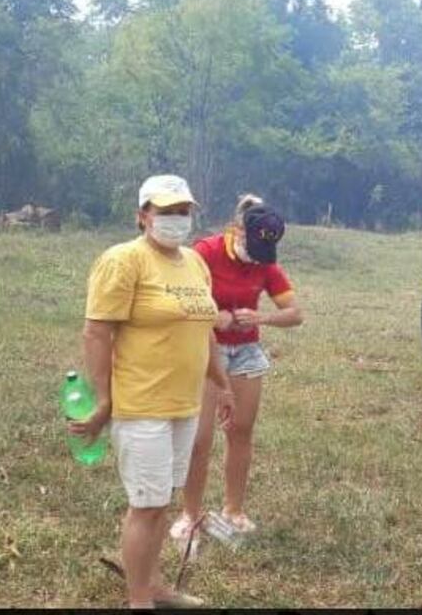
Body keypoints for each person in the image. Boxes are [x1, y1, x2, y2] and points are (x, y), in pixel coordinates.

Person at [68, 174, 235, 608]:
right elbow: (96, 333)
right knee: (146, 506)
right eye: (166, 212)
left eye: (184, 212)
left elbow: (206, 328)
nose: (177, 220)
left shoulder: (195, 263)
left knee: (162, 502)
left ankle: (154, 585)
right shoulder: (124, 260)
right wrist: (103, 399)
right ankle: (139, 600)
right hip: (141, 404)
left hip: (184, 403)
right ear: (143, 216)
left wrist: (221, 381)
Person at [169, 194, 303, 552]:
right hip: (206, 347)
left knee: (240, 430)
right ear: (237, 231)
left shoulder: (264, 261)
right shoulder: (205, 252)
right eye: (254, 246)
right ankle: (190, 513)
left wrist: (262, 317)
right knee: (200, 438)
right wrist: (217, 317)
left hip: (245, 352)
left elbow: (295, 313)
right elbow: (181, 301)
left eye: (264, 252)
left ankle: (233, 509)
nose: (257, 258)